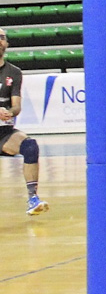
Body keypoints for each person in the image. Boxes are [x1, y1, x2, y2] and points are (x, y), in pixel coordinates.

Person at [0, 28, 48, 215]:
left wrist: (8, 113)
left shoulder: (14, 72)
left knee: (30, 146)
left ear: (7, 44)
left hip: (2, 133)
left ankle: (32, 199)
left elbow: (16, 107)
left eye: (2, 38)